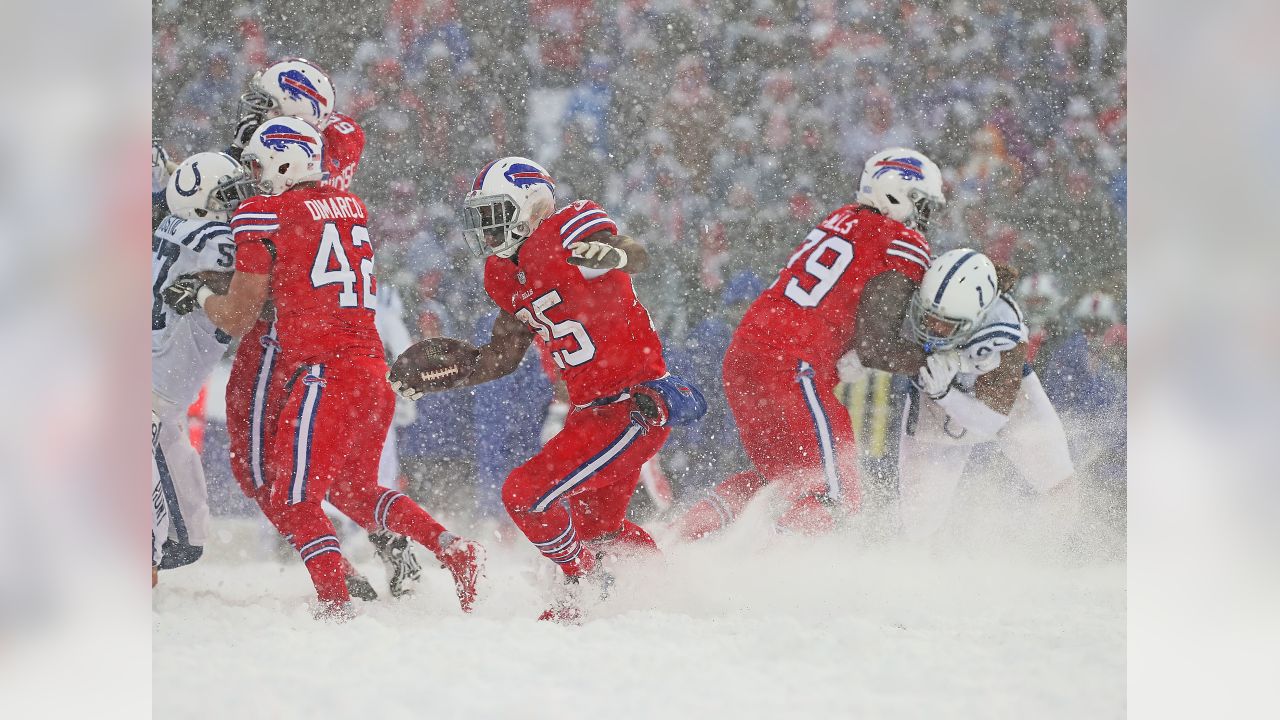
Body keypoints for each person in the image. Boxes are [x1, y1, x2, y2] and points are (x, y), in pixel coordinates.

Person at [163, 118, 483, 619]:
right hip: (371, 370)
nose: (254, 175)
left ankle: (335, 604)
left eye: (260, 163)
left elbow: (240, 315)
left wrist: (202, 292)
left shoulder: (261, 216)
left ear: (287, 161)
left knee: (293, 497)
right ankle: (452, 548)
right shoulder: (350, 206)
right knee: (356, 490)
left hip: (323, 372)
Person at [389, 156, 705, 621]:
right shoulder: (501, 275)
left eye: (494, 213)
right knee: (596, 529)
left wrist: (614, 254)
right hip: (590, 413)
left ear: (530, 204)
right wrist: (458, 371)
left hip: (633, 405)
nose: (486, 229)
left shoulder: (569, 227)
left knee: (525, 493)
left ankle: (581, 583)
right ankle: (659, 597)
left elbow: (632, 252)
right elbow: (503, 354)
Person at [221, 59, 420, 598]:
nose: (253, 116)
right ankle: (382, 542)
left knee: (266, 470)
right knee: (325, 470)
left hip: (284, 321)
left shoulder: (304, 159)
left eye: (266, 106)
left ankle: (335, 572)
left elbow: (268, 226)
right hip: (334, 317)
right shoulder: (335, 141)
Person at [672, 148, 945, 540]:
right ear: (895, 192)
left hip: (746, 353)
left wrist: (844, 354)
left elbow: (843, 311)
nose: (923, 219)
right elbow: (876, 344)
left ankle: (679, 537)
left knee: (779, 480)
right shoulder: (900, 241)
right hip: (790, 365)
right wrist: (931, 358)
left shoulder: (840, 218)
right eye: (921, 205)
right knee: (839, 493)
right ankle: (778, 572)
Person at [895, 249, 1077, 542]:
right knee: (918, 515)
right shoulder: (918, 292)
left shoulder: (1004, 334)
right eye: (927, 316)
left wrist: (945, 393)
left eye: (946, 323)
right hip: (933, 394)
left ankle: (1052, 555)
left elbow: (991, 422)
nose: (932, 329)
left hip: (993, 398)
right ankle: (917, 569)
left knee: (1059, 484)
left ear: (975, 318)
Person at [151, 151, 253, 572]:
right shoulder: (214, 238)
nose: (240, 204)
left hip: (159, 380)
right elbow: (256, 298)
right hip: (155, 385)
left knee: (187, 540)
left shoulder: (173, 225)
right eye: (227, 196)